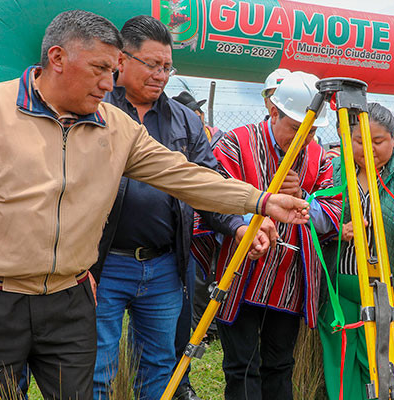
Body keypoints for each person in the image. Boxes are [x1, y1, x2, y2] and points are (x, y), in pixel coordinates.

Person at [0, 10, 309, 400]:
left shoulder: (115, 127)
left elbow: (185, 176)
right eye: (99, 68)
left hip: (70, 298)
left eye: (112, 70)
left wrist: (259, 200)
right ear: (57, 58)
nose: (107, 82)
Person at [88, 16, 268, 400]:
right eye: (152, 65)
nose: (161, 75)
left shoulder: (185, 121)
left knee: (160, 367)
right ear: (122, 60)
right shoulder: (96, 109)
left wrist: (237, 226)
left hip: (164, 266)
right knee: (97, 368)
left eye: (167, 67)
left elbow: (209, 184)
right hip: (103, 263)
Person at [212, 71, 341, 400]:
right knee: (241, 366)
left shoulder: (319, 158)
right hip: (240, 274)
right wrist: (246, 222)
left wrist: (305, 200)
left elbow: (334, 212)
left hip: (289, 282)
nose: (304, 139)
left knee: (280, 365)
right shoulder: (235, 143)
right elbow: (213, 198)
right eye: (297, 129)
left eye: (311, 131)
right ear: (273, 111)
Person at [317, 103, 394, 400]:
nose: (367, 149)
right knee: (341, 360)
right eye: (358, 141)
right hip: (339, 286)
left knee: (382, 362)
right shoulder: (333, 170)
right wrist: (337, 232)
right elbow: (314, 220)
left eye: (378, 141)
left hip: (387, 290)